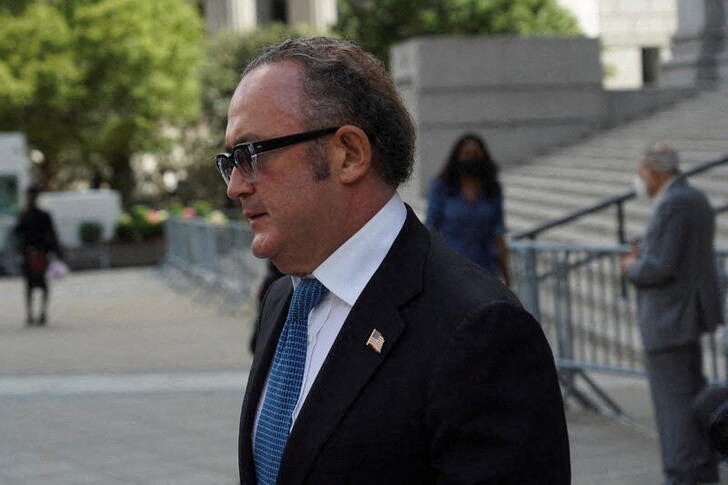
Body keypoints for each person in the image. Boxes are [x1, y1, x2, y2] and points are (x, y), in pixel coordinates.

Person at [216, 37, 570, 484]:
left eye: (251, 155)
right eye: (230, 161)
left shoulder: (479, 329)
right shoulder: (284, 300)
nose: (235, 186)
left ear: (349, 154)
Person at [621, 142, 723, 485]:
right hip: (681, 317)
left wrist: (633, 265)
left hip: (670, 320)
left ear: (655, 171)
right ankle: (697, 466)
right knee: (688, 399)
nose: (639, 180)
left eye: (642, 173)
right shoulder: (690, 199)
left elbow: (660, 266)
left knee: (674, 407)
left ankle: (684, 471)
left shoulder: (676, 202)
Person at [426, 134, 510, 285]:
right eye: (467, 154)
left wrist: (507, 277)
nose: (471, 159)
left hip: (485, 268)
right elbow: (431, 228)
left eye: (476, 154)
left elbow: (498, 234)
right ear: (457, 157)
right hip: (451, 269)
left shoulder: (492, 190)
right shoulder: (442, 187)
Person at [13, 185, 63, 326]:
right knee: (30, 285)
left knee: (42, 285)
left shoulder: (41, 215)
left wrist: (55, 251)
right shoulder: (24, 214)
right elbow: (17, 233)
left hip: (41, 253)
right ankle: (31, 314)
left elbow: (51, 234)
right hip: (29, 254)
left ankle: (41, 313)